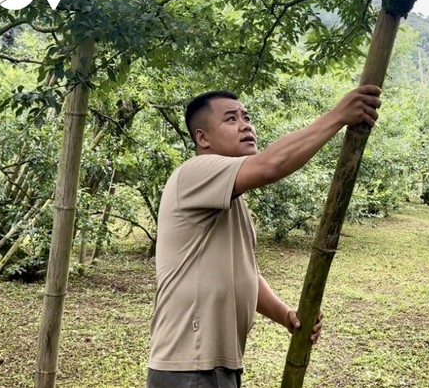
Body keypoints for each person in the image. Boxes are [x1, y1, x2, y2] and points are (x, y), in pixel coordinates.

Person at [147, 84, 382, 387]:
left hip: (216, 366)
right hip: (190, 366)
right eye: (231, 119)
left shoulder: (230, 200)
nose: (245, 125)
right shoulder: (194, 172)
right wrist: (338, 117)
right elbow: (271, 165)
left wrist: (286, 315)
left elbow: (244, 275)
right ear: (202, 138)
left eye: (246, 117)